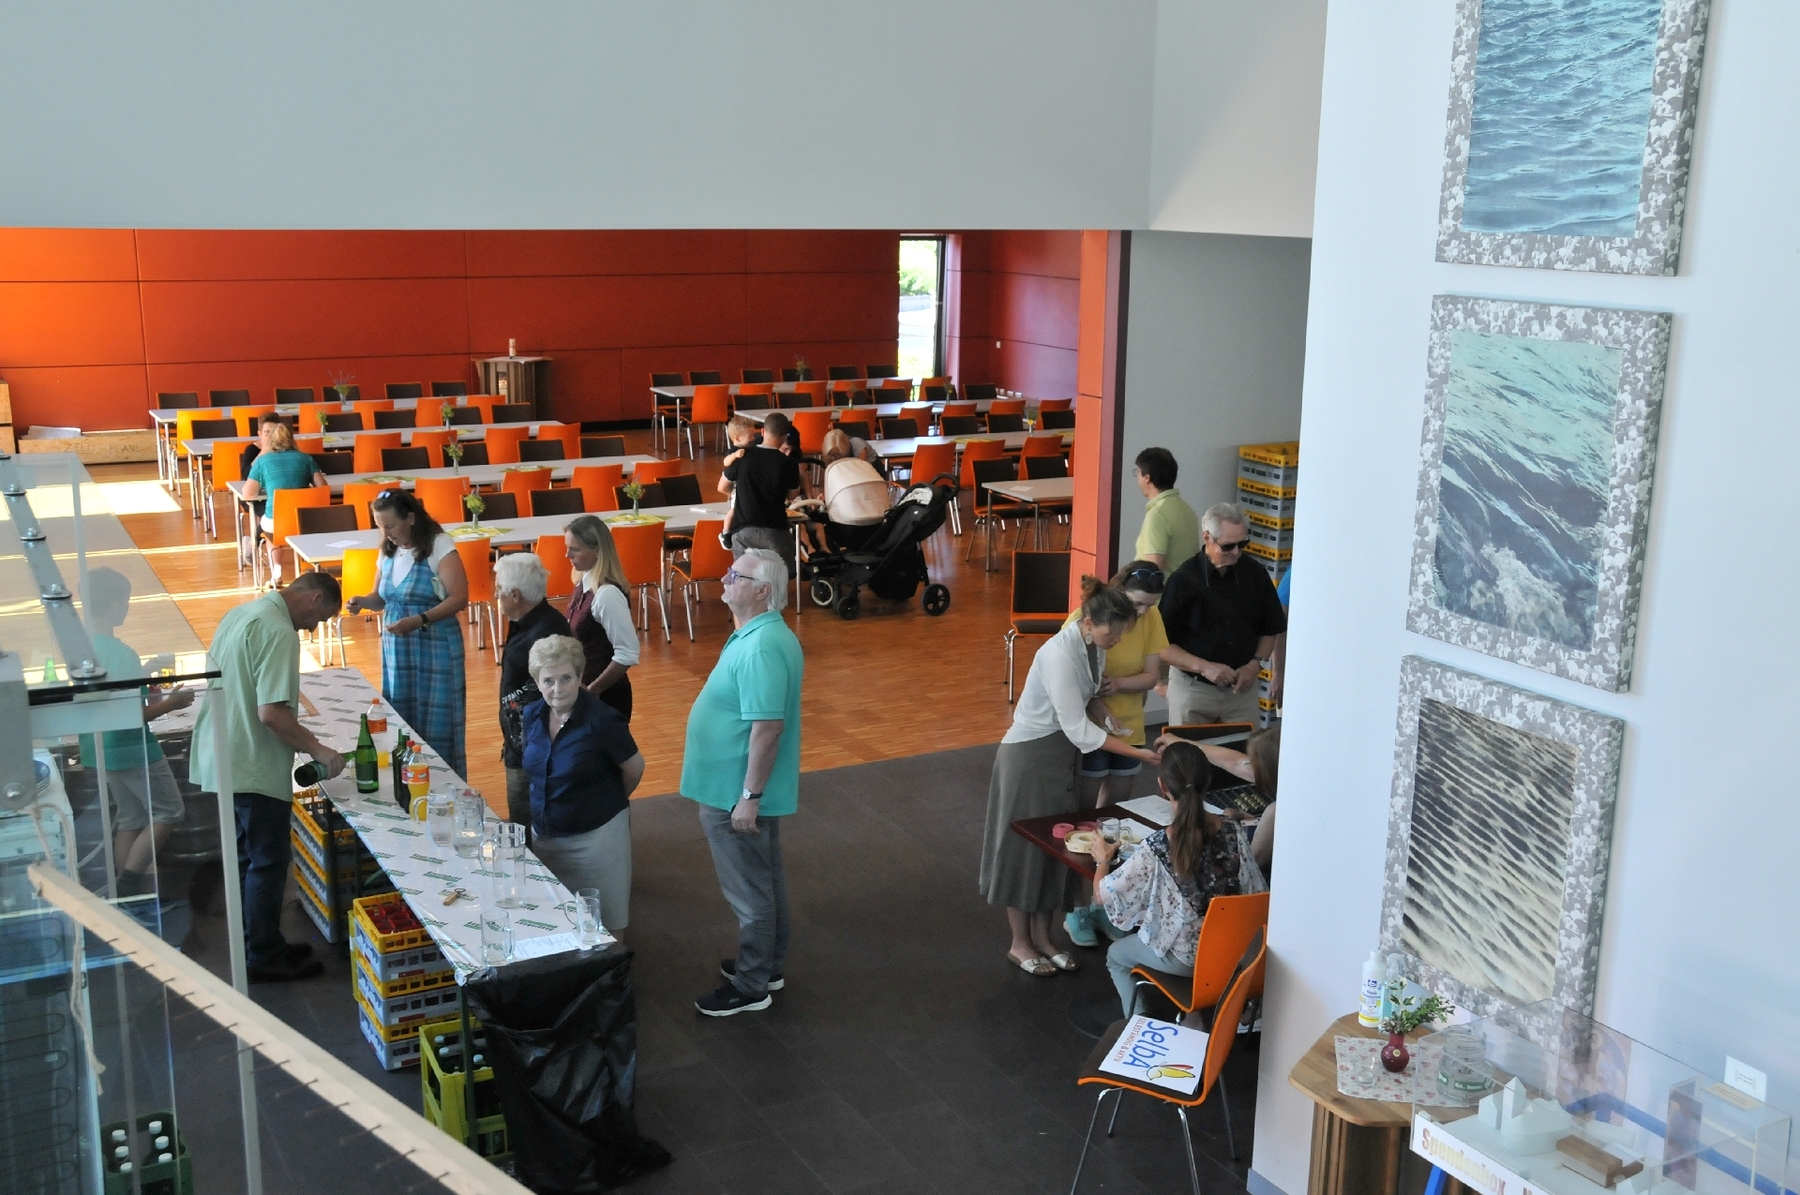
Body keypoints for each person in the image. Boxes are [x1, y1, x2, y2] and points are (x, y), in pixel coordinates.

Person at [979, 579, 1161, 977]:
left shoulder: (1093, 646)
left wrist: (1107, 716)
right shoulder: (1058, 653)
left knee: (1055, 848)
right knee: (1025, 850)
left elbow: (1089, 696)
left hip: (1063, 755)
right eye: (1113, 633)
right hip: (1030, 758)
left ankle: (1045, 939)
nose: (1117, 640)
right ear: (1089, 622)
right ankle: (1020, 942)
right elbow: (1078, 729)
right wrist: (1136, 752)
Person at [189, 573, 346, 982]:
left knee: (247, 858)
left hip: (222, 755)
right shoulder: (279, 632)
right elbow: (272, 714)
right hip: (254, 764)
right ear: (314, 598)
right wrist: (318, 749)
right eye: (319, 619)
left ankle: (259, 942)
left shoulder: (240, 614)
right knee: (268, 861)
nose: (312, 629)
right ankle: (262, 956)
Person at [680, 548, 804, 1016]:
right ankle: (766, 966)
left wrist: (749, 797)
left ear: (762, 590)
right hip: (733, 787)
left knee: (751, 894)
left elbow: (767, 727)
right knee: (764, 881)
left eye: (737, 575)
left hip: (734, 793)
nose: (725, 579)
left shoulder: (761, 647)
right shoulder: (760, 635)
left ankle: (752, 986)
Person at [1089, 740, 1266, 1016]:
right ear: (1208, 782)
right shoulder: (1234, 832)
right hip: (1235, 949)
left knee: (1116, 956)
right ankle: (1196, 1017)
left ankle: (1138, 1026)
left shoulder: (1157, 846)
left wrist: (1102, 860)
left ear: (1162, 786)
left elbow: (1103, 896)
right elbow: (1254, 888)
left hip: (1187, 959)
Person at [1062, 562, 1170, 948]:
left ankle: (1105, 906)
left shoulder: (1151, 616)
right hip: (1091, 731)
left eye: (1148, 606)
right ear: (1120, 590)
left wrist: (1117, 684)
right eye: (1137, 604)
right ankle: (1076, 908)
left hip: (1130, 730)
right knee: (1082, 826)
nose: (1141, 612)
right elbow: (1071, 679)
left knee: (1115, 824)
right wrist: (1100, 697)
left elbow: (1152, 676)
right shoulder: (1087, 617)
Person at [78, 567, 194, 897]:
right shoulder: (122, 653)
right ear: (116, 604)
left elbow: (110, 696)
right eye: (126, 601)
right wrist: (171, 703)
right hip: (133, 750)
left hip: (99, 748)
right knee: (169, 812)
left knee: (130, 818)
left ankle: (125, 894)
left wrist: (145, 671)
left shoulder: (83, 648)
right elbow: (129, 716)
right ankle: (129, 884)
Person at [520, 635, 645, 933]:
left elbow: (634, 768)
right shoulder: (532, 715)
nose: (558, 688)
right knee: (555, 922)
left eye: (566, 678)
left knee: (605, 925)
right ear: (537, 682)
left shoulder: (603, 721)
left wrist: (608, 800)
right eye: (548, 680)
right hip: (545, 837)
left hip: (596, 842)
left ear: (579, 677)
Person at [345, 489, 470, 776]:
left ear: (411, 518)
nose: (385, 533)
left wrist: (420, 619)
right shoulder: (387, 551)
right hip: (399, 651)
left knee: (438, 722)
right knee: (403, 719)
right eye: (380, 526)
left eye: (390, 525)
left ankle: (443, 782)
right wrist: (362, 602)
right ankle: (408, 781)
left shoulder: (439, 545)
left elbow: (460, 597)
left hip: (435, 648)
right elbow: (381, 598)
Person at [1158, 502, 1286, 726]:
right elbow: (1161, 644)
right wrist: (1204, 667)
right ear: (1207, 537)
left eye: (1242, 544)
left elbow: (1270, 629)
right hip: (1193, 689)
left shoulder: (1255, 573)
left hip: (1241, 692)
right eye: (1228, 546)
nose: (1236, 552)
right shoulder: (1182, 580)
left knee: (1245, 749)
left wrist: (1254, 665)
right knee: (1187, 749)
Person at [494, 552, 571, 828]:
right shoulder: (527, 623)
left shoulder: (547, 634)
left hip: (536, 752)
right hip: (521, 744)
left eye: (499, 589)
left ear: (515, 595)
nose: (496, 594)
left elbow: (559, 698)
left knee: (527, 824)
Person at [1162, 723, 1280, 878]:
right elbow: (1235, 762)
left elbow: (1250, 865)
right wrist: (1183, 744)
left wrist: (1226, 820)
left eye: (1251, 762)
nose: (1247, 764)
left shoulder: (1275, 812)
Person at [563, 515, 640, 720]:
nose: (567, 554)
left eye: (574, 549)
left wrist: (593, 690)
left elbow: (628, 653)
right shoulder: (583, 582)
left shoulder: (607, 595)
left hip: (605, 698)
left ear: (597, 550)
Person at [239, 420, 326, 585]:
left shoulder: (262, 461)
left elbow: (248, 494)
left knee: (271, 529)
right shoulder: (306, 459)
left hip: (277, 523)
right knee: (278, 524)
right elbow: (322, 489)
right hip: (306, 521)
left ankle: (276, 572)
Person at [720, 411, 801, 573]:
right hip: (775, 530)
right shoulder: (789, 464)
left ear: (762, 431)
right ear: (785, 436)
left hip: (743, 531)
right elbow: (792, 495)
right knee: (780, 575)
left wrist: (739, 494)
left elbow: (722, 487)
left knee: (744, 578)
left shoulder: (742, 456)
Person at [1132, 447, 1200, 572]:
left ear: (1147, 478)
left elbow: (1152, 569)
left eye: (1138, 472)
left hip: (1164, 585)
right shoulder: (1187, 510)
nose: (1137, 478)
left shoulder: (1157, 515)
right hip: (1185, 583)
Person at [716, 415, 762, 548]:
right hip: (738, 487)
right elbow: (725, 462)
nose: (753, 439)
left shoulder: (751, 448)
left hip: (745, 486)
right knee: (734, 509)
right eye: (750, 436)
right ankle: (725, 533)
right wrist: (734, 456)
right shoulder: (734, 451)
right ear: (737, 439)